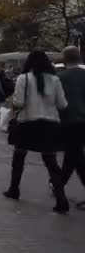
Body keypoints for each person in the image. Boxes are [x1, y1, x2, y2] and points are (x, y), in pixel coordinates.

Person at [3, 50, 69, 214]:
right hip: (50, 125)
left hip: (27, 123)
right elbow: (62, 104)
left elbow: (18, 102)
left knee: (19, 157)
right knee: (51, 162)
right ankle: (61, 200)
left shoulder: (23, 78)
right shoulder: (55, 80)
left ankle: (14, 189)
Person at [58, 46, 85, 191]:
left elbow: (58, 102)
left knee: (75, 154)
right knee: (74, 153)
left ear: (64, 59)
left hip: (69, 121)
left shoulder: (61, 78)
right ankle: (59, 183)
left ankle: (58, 183)